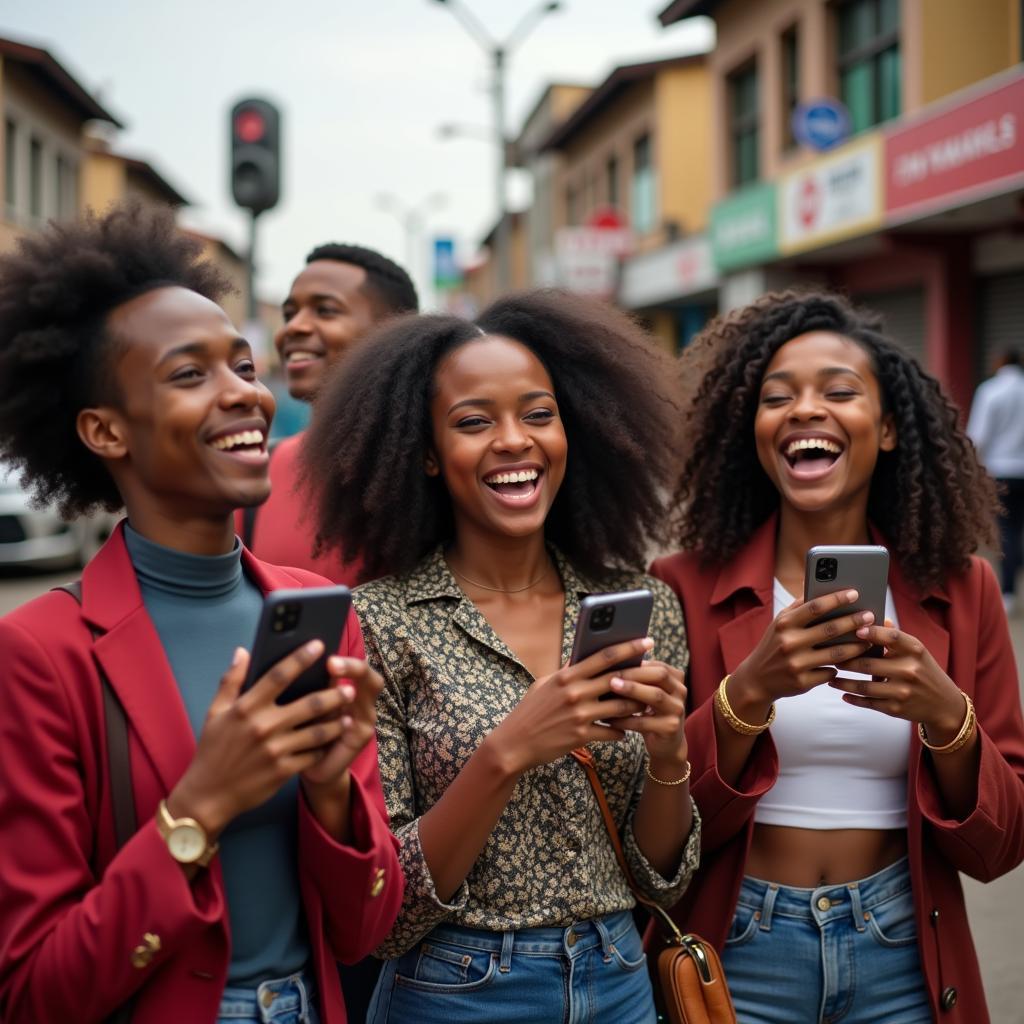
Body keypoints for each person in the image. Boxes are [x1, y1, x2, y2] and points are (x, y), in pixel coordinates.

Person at [0, 205, 401, 1024]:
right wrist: (200, 807)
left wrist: (333, 792)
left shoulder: (315, 613)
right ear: (105, 430)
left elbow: (364, 931)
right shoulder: (39, 652)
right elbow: (36, 992)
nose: (246, 395)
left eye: (243, 366)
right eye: (191, 376)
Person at [302, 291, 702, 1024]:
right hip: (455, 989)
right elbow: (388, 913)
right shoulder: (379, 622)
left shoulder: (641, 605)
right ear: (423, 453)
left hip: (620, 981)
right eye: (473, 422)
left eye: (538, 414)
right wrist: (508, 749)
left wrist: (670, 752)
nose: (514, 440)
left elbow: (662, 880)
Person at [650, 290, 1024, 1024]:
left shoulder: (961, 587)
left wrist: (946, 717)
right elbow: (656, 837)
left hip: (902, 950)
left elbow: (1002, 846)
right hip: (739, 950)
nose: (804, 410)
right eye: (777, 397)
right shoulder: (683, 586)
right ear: (751, 431)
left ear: (886, 429)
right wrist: (745, 696)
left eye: (838, 391)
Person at [239, 243, 418, 585]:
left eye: (325, 310)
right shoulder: (254, 474)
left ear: (395, 333)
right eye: (289, 314)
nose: (293, 328)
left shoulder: (437, 469)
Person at [967, 348, 1024, 614]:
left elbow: (978, 436)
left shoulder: (990, 391)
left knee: (1007, 531)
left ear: (999, 362)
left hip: (1001, 472)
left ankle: (1009, 592)